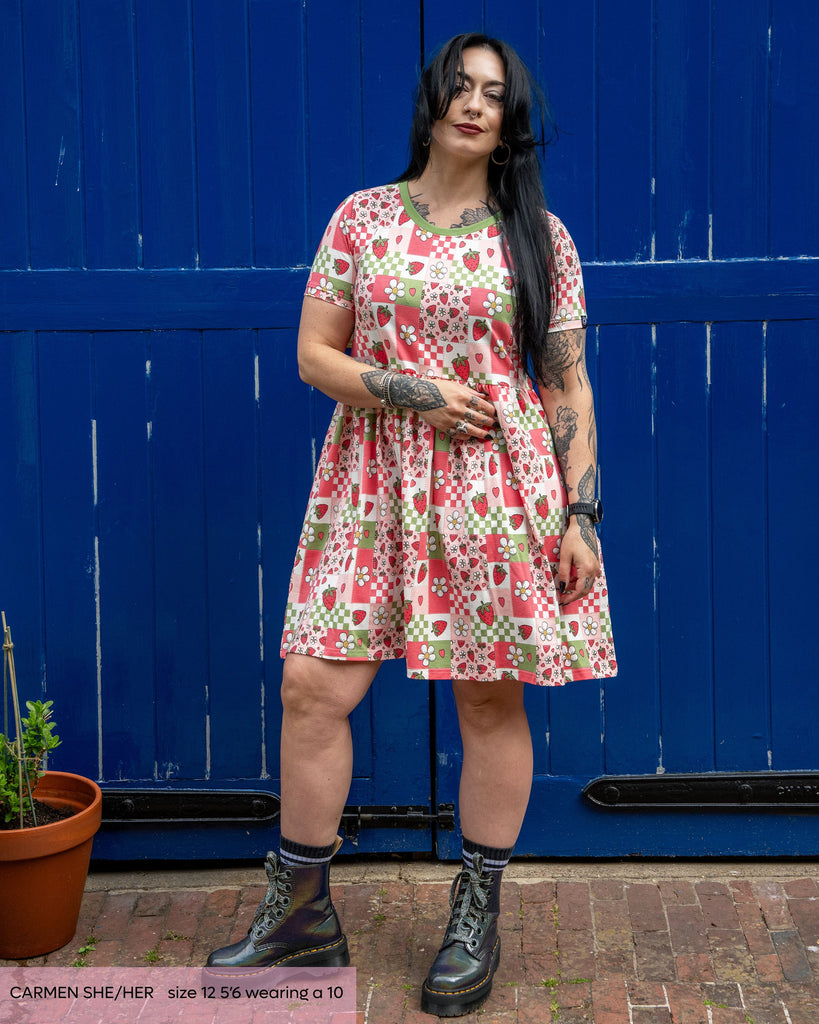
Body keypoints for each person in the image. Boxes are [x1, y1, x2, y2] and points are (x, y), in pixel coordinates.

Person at [207, 32, 616, 1018]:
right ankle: (302, 912)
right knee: (312, 685)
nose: (475, 104)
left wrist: (581, 511)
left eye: (495, 94)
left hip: (495, 488)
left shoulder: (539, 236)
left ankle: (474, 915)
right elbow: (314, 355)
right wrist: (416, 392)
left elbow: (566, 384)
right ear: (433, 100)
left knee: (487, 699)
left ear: (510, 121)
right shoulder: (362, 218)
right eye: (460, 87)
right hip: (369, 478)